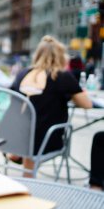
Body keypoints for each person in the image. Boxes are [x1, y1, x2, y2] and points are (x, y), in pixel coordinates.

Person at [10, 35, 92, 177]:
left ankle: (18, 155)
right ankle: (27, 171)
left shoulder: (22, 74)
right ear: (60, 56)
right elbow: (87, 104)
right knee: (38, 131)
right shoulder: (62, 77)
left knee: (30, 128)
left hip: (13, 138)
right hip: (46, 141)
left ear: (37, 55)